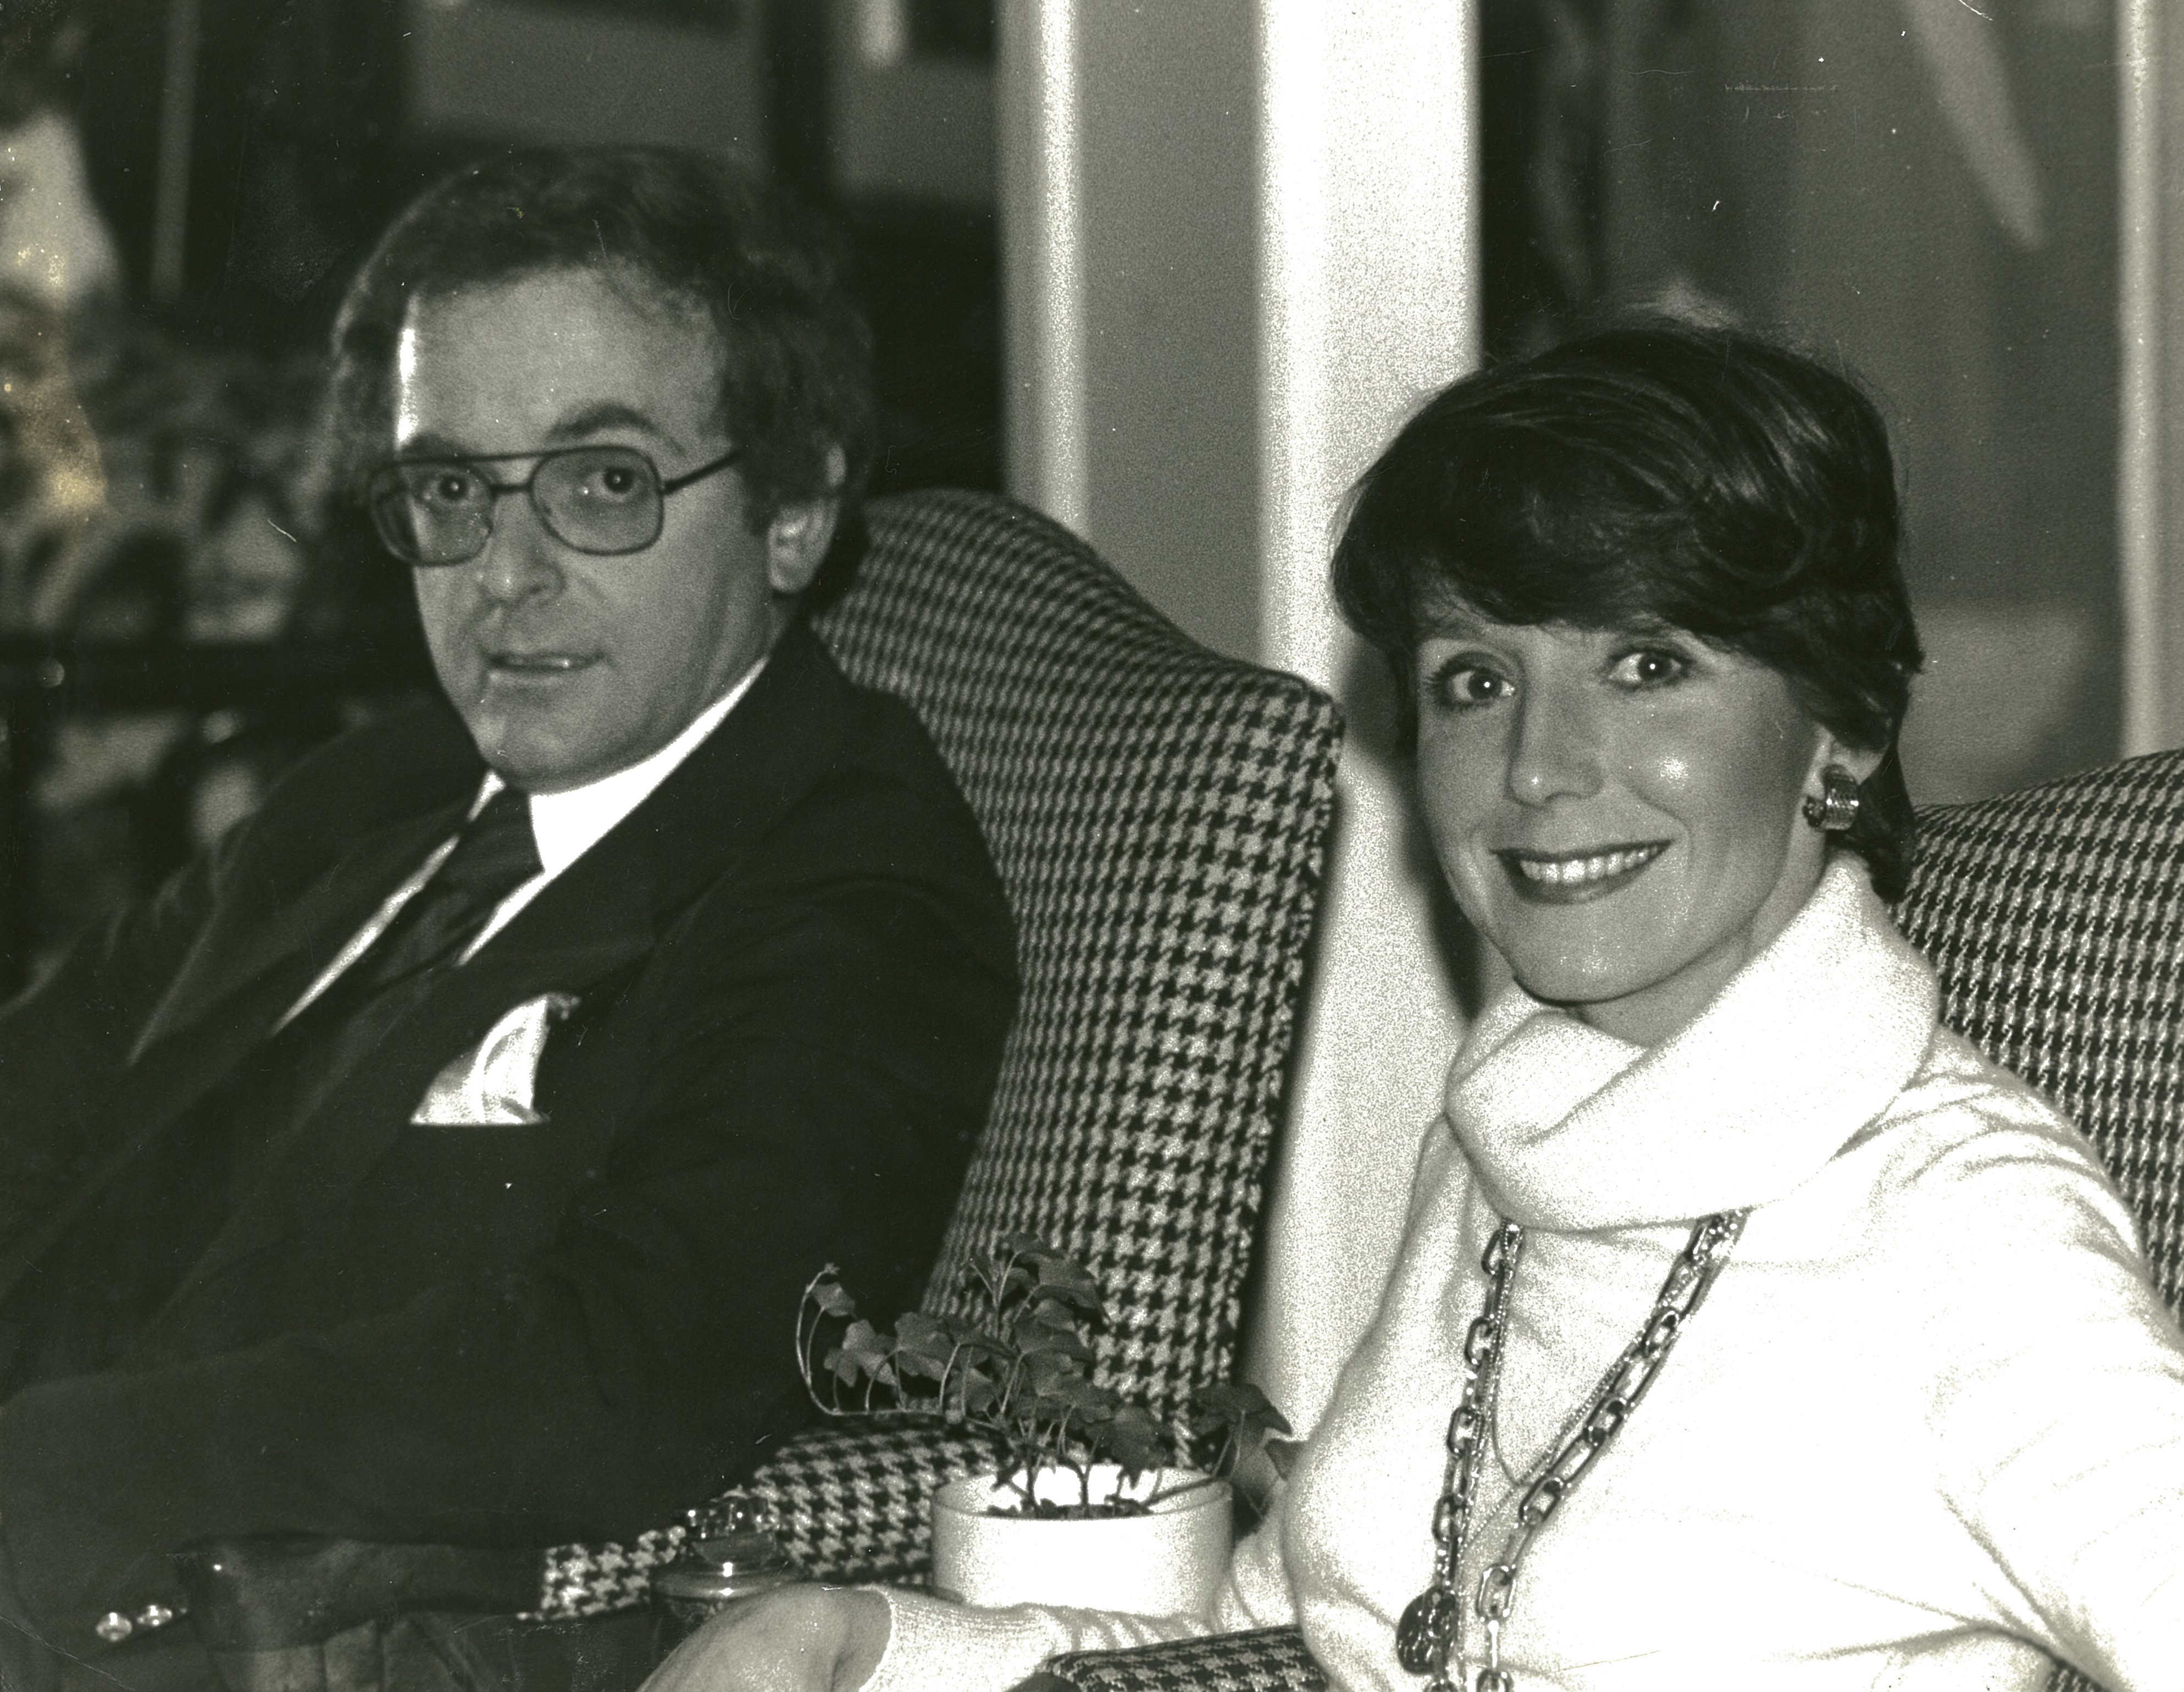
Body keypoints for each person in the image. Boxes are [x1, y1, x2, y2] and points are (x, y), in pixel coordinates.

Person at [647, 320, 2184, 1691]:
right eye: (1475, 678)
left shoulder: (1967, 1238)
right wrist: (872, 1642)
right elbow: (1309, 1631)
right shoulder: (1518, 1130)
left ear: (1837, 729)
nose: (1538, 767)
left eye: (1648, 664)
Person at [0, 145, 1017, 1689]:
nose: (505, 578)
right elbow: (43, 1084)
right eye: (450, 490)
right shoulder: (379, 792)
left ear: (796, 511)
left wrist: (52, 1467)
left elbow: (622, 1372)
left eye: (604, 484)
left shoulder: (853, 883)